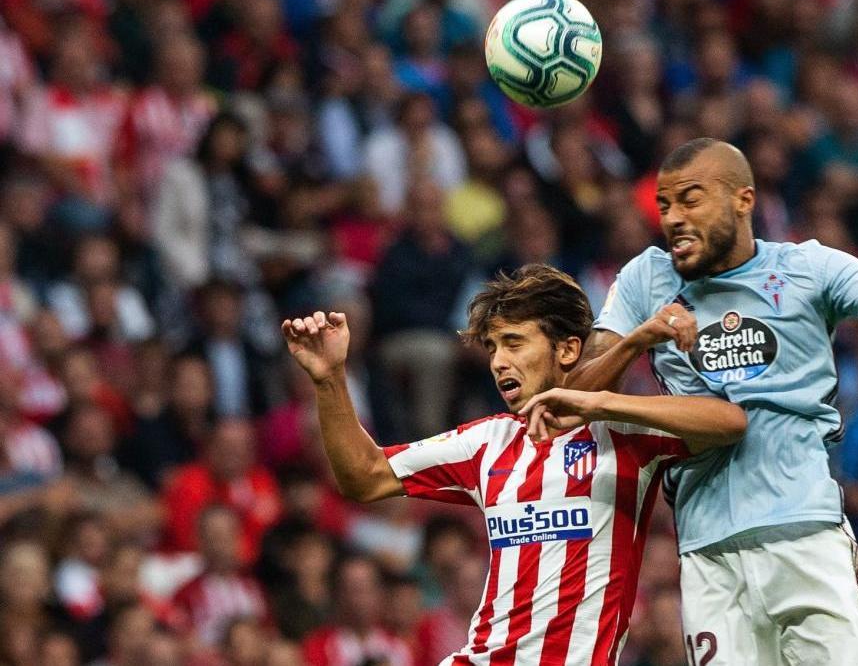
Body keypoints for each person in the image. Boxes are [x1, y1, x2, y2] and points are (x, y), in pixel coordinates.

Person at [568, 137, 858, 664]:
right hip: (707, 552)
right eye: (664, 206)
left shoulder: (810, 268)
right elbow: (581, 391)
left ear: (743, 200)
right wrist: (640, 338)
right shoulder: (644, 280)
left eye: (690, 199)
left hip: (804, 535)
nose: (674, 218)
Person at [281, 263, 746, 664]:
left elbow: (728, 421)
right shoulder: (487, 441)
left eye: (514, 343)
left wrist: (605, 402)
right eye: (492, 348)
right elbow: (364, 476)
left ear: (566, 350)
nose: (499, 361)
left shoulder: (622, 432)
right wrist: (329, 381)